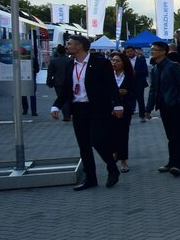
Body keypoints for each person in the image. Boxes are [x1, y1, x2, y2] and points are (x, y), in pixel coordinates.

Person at [49, 35, 123, 191]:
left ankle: (112, 168)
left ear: (79, 46)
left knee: (97, 140)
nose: (66, 46)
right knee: (83, 145)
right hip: (78, 108)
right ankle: (90, 178)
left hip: (97, 108)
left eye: (69, 44)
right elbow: (67, 89)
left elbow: (111, 85)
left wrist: (117, 105)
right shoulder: (70, 65)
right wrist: (56, 106)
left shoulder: (100, 63)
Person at [147, 41, 180, 177]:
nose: (152, 52)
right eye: (152, 49)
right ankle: (171, 162)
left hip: (176, 106)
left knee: (177, 135)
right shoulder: (154, 68)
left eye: (155, 50)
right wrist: (148, 109)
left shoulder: (173, 66)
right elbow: (153, 90)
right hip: (163, 106)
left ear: (163, 52)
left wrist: (178, 101)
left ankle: (177, 164)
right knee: (170, 136)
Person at [108, 52, 136, 172]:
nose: (114, 63)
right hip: (109, 109)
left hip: (125, 109)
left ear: (124, 63)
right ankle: (114, 152)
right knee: (110, 134)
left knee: (123, 134)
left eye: (117, 61)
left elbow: (136, 92)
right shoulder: (108, 75)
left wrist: (127, 92)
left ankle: (123, 160)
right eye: (113, 60)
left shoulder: (130, 76)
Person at [125, 45, 150, 123]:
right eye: (127, 52)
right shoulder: (124, 61)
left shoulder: (141, 60)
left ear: (134, 51)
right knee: (128, 100)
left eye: (131, 51)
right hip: (128, 84)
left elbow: (146, 72)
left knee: (140, 100)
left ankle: (142, 115)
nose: (129, 53)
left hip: (139, 83)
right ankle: (128, 116)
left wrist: (136, 73)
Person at [47, 44, 69, 120]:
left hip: (58, 83)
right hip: (69, 82)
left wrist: (49, 82)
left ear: (58, 52)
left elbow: (50, 73)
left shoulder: (53, 61)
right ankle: (68, 114)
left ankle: (66, 115)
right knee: (68, 98)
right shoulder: (70, 60)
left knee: (61, 98)